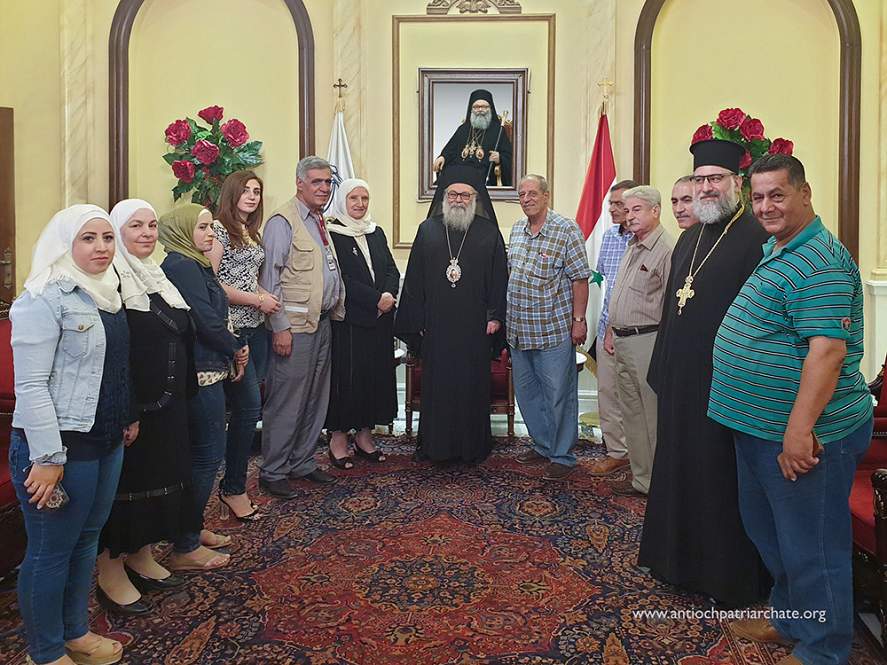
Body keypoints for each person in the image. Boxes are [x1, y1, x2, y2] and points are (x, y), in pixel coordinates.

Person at [709, 154, 873, 665]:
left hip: (804, 436)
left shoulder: (820, 260)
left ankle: (824, 650)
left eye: (777, 195)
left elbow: (827, 353)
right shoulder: (781, 248)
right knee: (774, 537)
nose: (765, 206)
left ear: (805, 193)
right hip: (761, 428)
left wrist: (799, 433)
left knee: (813, 549)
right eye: (757, 197)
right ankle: (790, 620)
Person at [639, 139, 771, 607]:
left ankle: (723, 577)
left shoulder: (756, 239)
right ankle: (676, 562)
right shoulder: (690, 239)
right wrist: (664, 370)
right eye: (700, 179)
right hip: (681, 383)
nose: (707, 187)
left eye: (716, 178)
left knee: (719, 480)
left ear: (737, 182)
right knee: (679, 470)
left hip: (727, 387)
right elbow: (673, 309)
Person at [10, 204, 135, 665]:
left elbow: (115, 367)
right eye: (88, 238)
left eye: (107, 237)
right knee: (50, 550)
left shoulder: (109, 292)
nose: (102, 247)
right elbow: (30, 386)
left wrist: (126, 416)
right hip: (58, 446)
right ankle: (44, 653)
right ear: (65, 243)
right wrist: (47, 457)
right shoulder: (43, 298)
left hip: (104, 438)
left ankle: (75, 633)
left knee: (86, 540)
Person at [96, 199, 197, 616]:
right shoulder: (111, 280)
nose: (146, 233)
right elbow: (115, 352)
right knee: (128, 488)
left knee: (160, 479)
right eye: (135, 226)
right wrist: (128, 408)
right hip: (136, 403)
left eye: (152, 225)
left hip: (168, 400)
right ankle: (110, 569)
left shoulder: (153, 274)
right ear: (118, 232)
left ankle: (141, 555)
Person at [395, 165, 507, 464]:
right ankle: (437, 446)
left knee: (471, 385)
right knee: (439, 386)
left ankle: (472, 447)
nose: (458, 200)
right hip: (437, 327)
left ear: (475, 198)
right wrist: (417, 321)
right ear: (444, 197)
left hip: (475, 327)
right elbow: (415, 280)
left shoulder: (489, 233)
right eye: (453, 194)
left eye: (465, 195)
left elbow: (499, 279)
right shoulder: (427, 230)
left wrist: (495, 316)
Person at [159, 204, 248, 570]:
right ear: (182, 230)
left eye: (211, 226)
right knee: (207, 453)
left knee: (208, 451)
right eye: (202, 227)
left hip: (211, 365)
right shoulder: (180, 265)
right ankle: (185, 544)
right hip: (200, 371)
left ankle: (192, 529)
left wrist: (232, 348)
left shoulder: (195, 263)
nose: (211, 233)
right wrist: (236, 348)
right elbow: (205, 321)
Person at [258, 156, 344, 498]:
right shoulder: (283, 222)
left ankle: (302, 462)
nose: (324, 188)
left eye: (328, 182)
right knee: (287, 400)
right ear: (299, 183)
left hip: (321, 323)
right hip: (293, 328)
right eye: (316, 182)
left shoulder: (319, 219)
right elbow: (270, 280)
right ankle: (274, 470)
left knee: (314, 398)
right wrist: (280, 327)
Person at [508, 174, 590, 480]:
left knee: (559, 396)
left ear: (546, 196)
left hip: (553, 331)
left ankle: (562, 456)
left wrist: (578, 321)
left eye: (532, 193)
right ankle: (543, 445)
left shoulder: (566, 229)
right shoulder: (517, 230)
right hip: (519, 331)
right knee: (527, 396)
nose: (526, 199)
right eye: (522, 194)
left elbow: (579, 279)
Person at [207, 171, 279, 520]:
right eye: (246, 190)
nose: (252, 196)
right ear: (231, 193)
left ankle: (233, 485)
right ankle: (232, 488)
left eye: (257, 191)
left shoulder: (251, 232)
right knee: (248, 409)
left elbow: (247, 279)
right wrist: (256, 299)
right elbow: (211, 285)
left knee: (247, 410)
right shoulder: (218, 230)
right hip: (232, 332)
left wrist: (265, 297)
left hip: (256, 330)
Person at [324, 178, 400, 467]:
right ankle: (338, 439)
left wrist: (388, 295)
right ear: (343, 200)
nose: (359, 204)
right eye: (353, 198)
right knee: (348, 380)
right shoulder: (332, 233)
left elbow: (391, 269)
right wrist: (375, 299)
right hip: (350, 321)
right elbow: (340, 278)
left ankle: (365, 437)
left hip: (380, 321)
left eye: (364, 198)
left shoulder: (375, 231)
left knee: (373, 379)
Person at [604, 186, 673, 496]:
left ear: (655, 211)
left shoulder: (666, 249)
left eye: (636, 210)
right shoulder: (633, 245)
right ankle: (642, 480)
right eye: (626, 209)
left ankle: (661, 483)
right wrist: (610, 328)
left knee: (652, 417)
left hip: (648, 341)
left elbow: (671, 306)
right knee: (632, 414)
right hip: (622, 340)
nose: (629, 216)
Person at [588, 179, 636, 476]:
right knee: (608, 394)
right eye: (611, 203)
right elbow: (604, 281)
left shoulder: (649, 240)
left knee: (636, 398)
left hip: (639, 332)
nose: (613, 209)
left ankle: (642, 455)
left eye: (619, 204)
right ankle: (617, 452)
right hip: (607, 328)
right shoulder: (608, 237)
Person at [433, 89, 513, 187]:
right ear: (471, 109)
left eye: (484, 107)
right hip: (457, 171)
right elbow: (450, 149)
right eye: (476, 107)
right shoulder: (463, 129)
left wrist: (500, 158)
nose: (480, 110)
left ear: (490, 109)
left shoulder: (498, 130)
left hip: (481, 174)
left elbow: (509, 156)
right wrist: (443, 157)